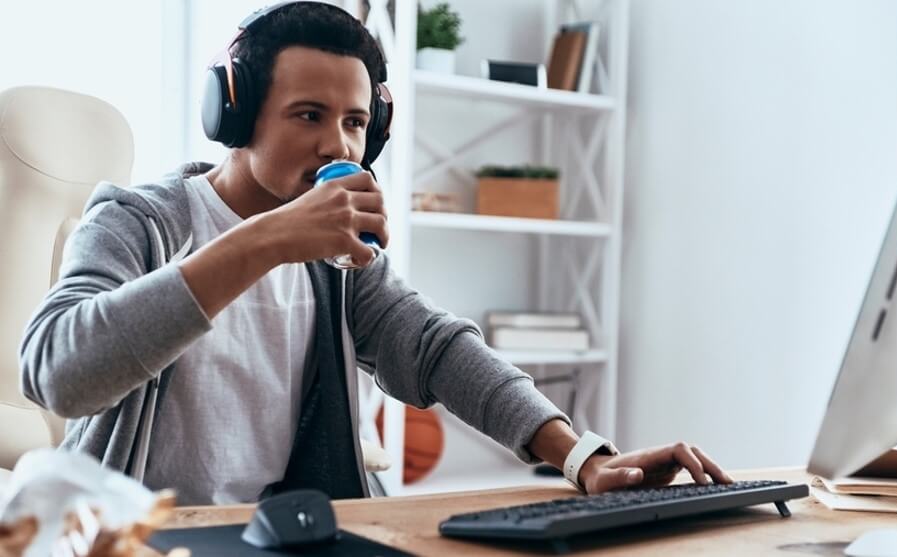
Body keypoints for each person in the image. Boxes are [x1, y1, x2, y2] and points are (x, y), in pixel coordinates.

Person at [18, 1, 731, 506]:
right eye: (308, 115)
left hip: (278, 533)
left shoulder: (337, 255)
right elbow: (56, 372)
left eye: (356, 122)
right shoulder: (138, 220)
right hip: (144, 534)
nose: (339, 145)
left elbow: (434, 347)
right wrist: (267, 241)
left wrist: (582, 458)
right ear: (232, 115)